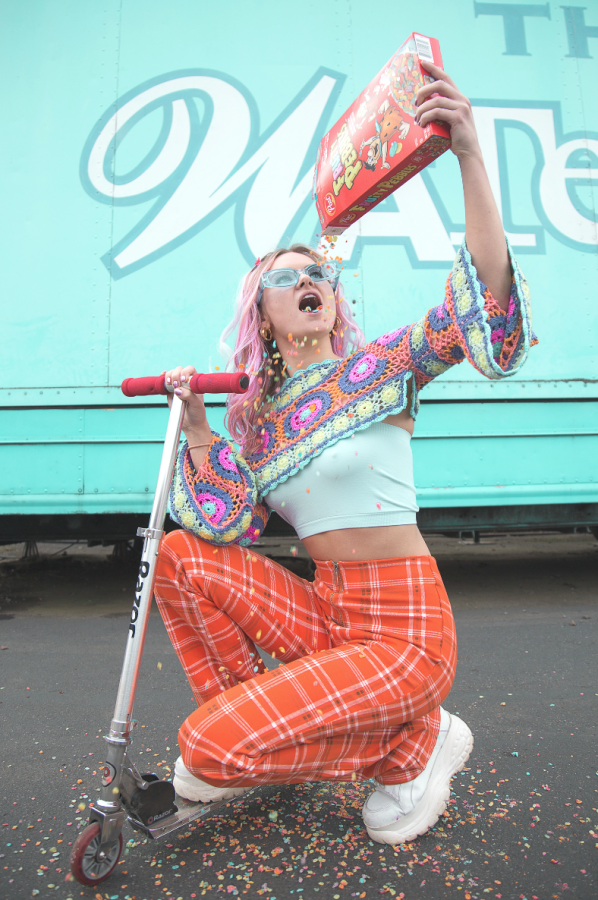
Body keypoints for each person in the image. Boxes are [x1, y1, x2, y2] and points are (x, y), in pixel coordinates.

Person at [153, 61, 536, 846]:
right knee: (179, 557)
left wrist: (468, 153)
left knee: (207, 746)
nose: (308, 279)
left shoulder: (384, 368)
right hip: (329, 613)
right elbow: (223, 526)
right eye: (285, 276)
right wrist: (198, 424)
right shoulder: (259, 427)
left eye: (317, 271)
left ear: (334, 298)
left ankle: (408, 741)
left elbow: (487, 310)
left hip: (406, 629)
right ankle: (342, 739)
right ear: (261, 313)